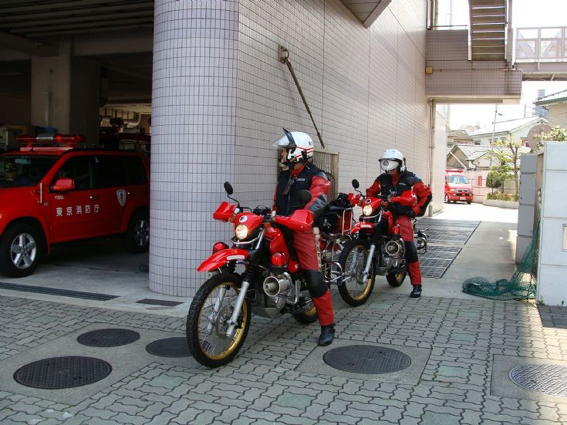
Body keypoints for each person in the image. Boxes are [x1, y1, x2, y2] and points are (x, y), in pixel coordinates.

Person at [272, 129, 335, 346]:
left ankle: (327, 326)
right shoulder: (284, 176)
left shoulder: (317, 176)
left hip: (304, 229)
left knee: (313, 276)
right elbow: (277, 202)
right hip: (281, 226)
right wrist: (272, 215)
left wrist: (303, 217)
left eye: (285, 150)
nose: (282, 154)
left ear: (298, 152)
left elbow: (317, 201)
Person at [366, 149, 432, 298]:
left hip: (402, 215)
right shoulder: (382, 179)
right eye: (388, 168)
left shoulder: (411, 179)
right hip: (384, 213)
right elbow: (371, 192)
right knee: (368, 230)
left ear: (400, 165)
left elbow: (427, 194)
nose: (390, 171)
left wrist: (415, 211)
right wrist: (368, 200)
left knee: (408, 245)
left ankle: (417, 285)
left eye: (393, 168)